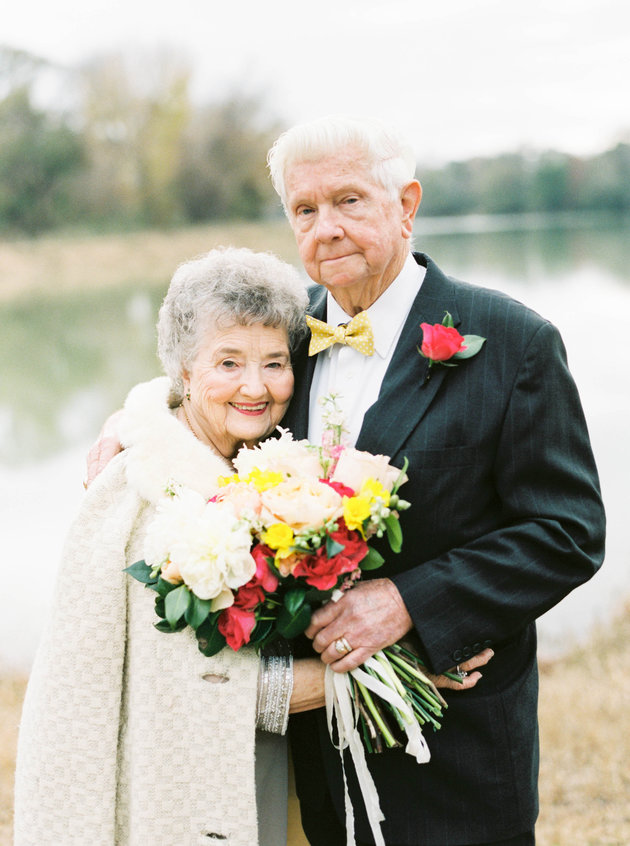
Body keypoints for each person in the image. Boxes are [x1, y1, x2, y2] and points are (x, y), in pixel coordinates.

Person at [85, 115, 605, 846]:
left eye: (348, 201)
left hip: (454, 752)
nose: (325, 228)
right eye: (304, 209)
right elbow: (209, 380)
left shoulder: (514, 342)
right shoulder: (284, 332)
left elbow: (567, 532)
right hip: (307, 757)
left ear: (407, 204)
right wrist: (137, 417)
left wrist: (408, 603)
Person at [15, 244, 488, 846]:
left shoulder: (265, 467)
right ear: (185, 373)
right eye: (229, 363)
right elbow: (210, 689)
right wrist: (401, 667)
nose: (256, 387)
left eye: (274, 363)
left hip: (266, 772)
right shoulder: (143, 499)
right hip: (180, 798)